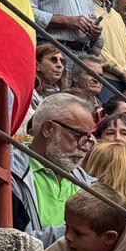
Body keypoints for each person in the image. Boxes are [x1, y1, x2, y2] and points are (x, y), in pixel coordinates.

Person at [11, 93, 96, 242]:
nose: (84, 147)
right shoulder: (11, 173)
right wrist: (79, 233)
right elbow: (16, 245)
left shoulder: (88, 184)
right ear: (48, 129)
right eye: (78, 136)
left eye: (88, 139)